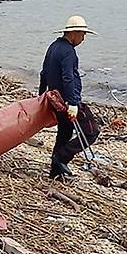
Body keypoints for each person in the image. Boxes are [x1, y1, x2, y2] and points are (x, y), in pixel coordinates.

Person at [39, 15, 100, 179]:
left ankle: (56, 172)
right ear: (74, 33)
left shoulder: (54, 46)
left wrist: (41, 95)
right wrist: (73, 103)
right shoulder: (68, 52)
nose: (83, 39)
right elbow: (68, 77)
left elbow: (44, 72)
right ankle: (61, 158)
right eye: (83, 35)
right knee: (92, 131)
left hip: (55, 98)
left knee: (64, 133)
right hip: (67, 100)